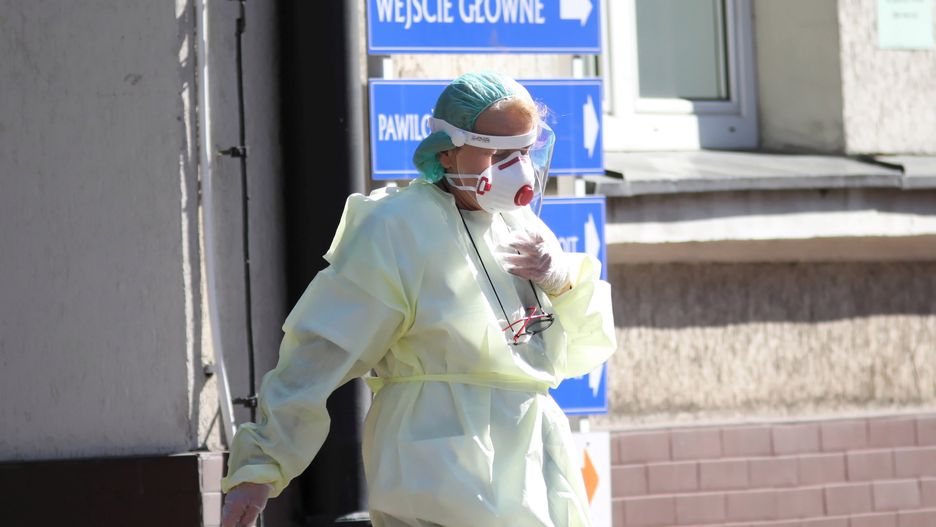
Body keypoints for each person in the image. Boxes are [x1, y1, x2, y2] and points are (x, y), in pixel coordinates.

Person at [220, 71, 616, 527]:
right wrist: (261, 465)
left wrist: (563, 282)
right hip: (440, 473)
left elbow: (586, 350)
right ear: (446, 151)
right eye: (498, 154)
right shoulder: (397, 228)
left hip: (533, 468)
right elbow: (319, 352)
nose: (518, 169)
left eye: (525, 152)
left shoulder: (522, 225)